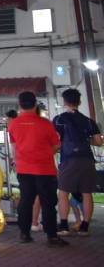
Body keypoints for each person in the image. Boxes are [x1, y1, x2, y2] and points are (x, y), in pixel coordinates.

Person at [9, 90, 66, 246]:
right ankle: (52, 236)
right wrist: (45, 152)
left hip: (23, 168)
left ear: (20, 105)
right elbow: (56, 145)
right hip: (44, 169)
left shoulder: (13, 124)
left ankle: (24, 234)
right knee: (48, 203)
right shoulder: (45, 123)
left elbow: (14, 145)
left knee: (26, 201)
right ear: (35, 104)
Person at [53, 88, 102, 236]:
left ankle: (63, 225)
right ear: (79, 102)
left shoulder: (59, 120)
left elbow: (55, 141)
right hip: (87, 160)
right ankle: (85, 226)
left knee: (63, 193)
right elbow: (98, 141)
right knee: (87, 193)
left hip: (68, 160)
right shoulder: (88, 121)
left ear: (64, 102)